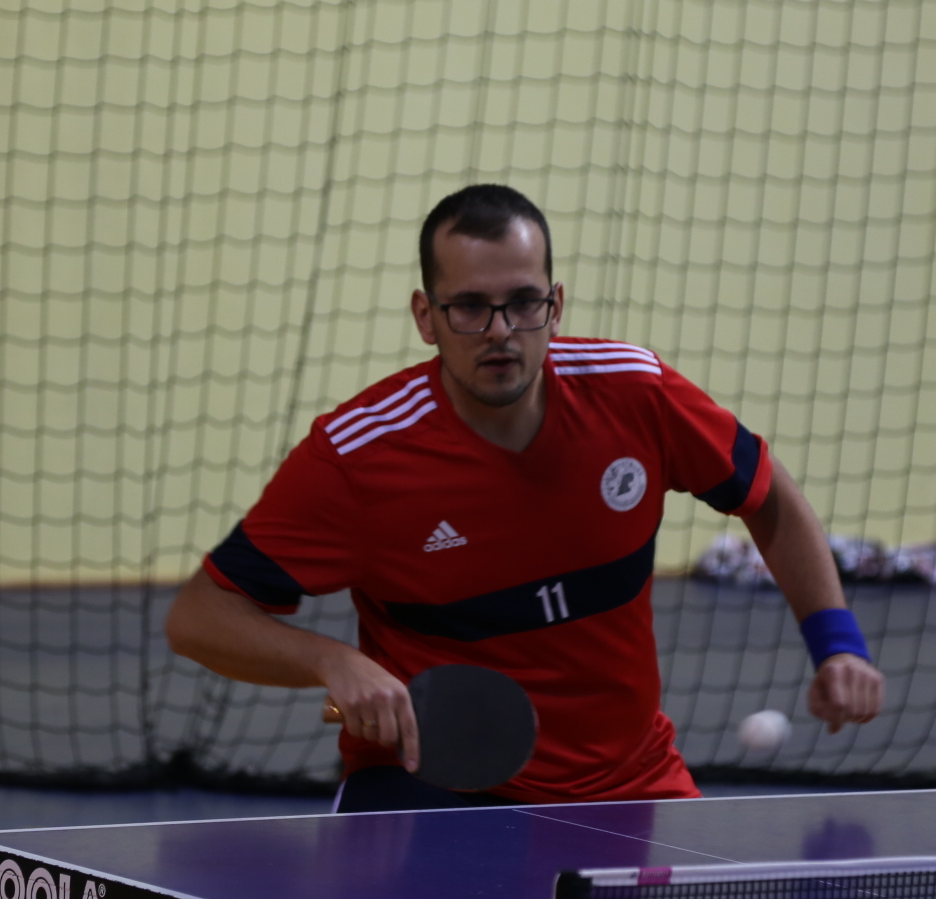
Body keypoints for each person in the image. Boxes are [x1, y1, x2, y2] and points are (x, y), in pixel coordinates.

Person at [165, 184, 884, 811]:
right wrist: (332, 661)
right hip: (431, 783)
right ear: (426, 316)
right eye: (469, 308)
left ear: (555, 304)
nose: (501, 332)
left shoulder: (637, 395)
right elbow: (200, 616)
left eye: (522, 303)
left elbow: (768, 496)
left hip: (629, 782)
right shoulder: (359, 455)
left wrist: (838, 645)